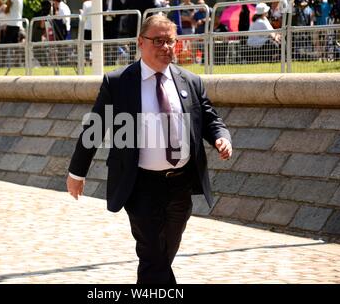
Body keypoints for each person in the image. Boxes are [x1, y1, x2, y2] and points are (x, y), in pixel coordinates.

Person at [66, 15, 232, 284]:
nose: (166, 47)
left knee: (161, 256)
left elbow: (211, 119)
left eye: (170, 41)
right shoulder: (119, 82)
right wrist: (77, 173)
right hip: (141, 185)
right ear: (140, 43)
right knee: (152, 253)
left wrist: (221, 138)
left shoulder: (190, 81)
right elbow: (94, 129)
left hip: (181, 185)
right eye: (158, 40)